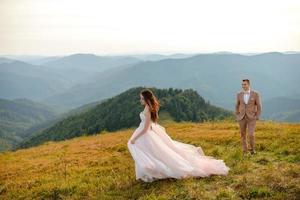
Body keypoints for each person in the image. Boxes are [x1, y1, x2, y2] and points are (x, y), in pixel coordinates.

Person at [127, 88, 230, 182]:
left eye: (141, 98)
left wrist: (135, 138)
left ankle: (155, 171)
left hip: (146, 134)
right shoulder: (147, 107)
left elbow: (145, 128)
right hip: (149, 133)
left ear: (146, 99)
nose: (140, 100)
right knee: (150, 152)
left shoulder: (148, 110)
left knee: (153, 152)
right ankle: (147, 172)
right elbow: (151, 124)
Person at [235, 79, 262, 155]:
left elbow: (259, 106)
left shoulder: (255, 94)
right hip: (241, 117)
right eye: (242, 84)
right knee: (243, 134)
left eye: (245, 84)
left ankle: (252, 150)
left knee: (251, 134)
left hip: (251, 118)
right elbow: (237, 105)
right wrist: (237, 114)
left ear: (249, 85)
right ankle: (245, 152)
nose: (243, 86)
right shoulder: (239, 94)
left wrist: (257, 116)